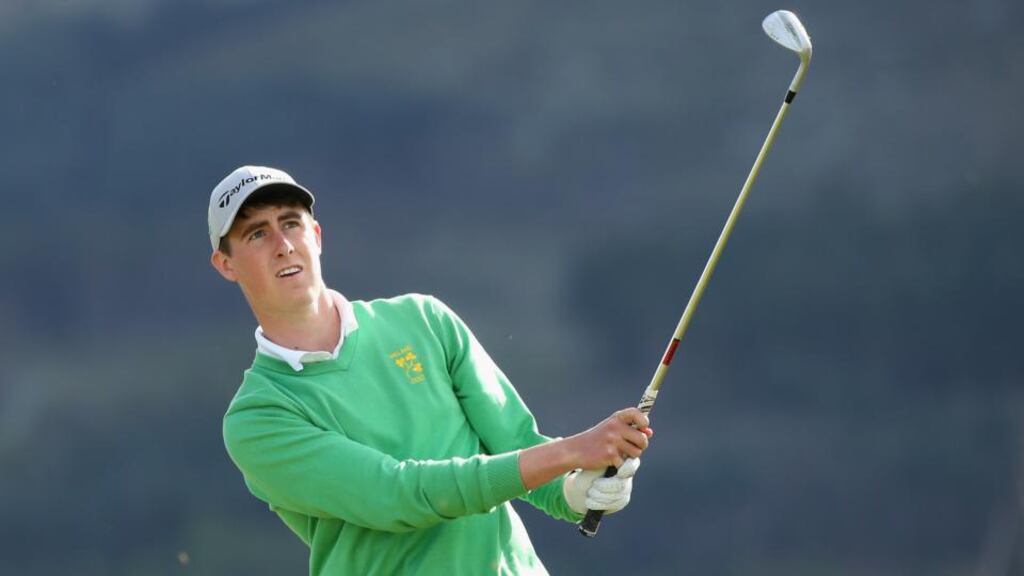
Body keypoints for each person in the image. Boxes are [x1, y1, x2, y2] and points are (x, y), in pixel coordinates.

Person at [208, 165, 653, 575]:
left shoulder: (424, 320)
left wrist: (576, 491)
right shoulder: (257, 418)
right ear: (226, 264)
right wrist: (573, 452)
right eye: (256, 234)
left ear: (317, 235)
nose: (283, 244)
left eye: (290, 223)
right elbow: (398, 495)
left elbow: (517, 444)